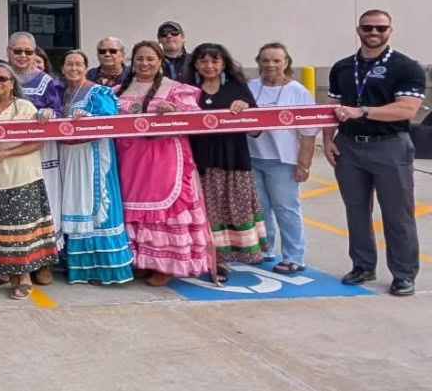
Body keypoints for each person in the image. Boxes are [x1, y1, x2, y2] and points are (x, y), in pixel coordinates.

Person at [324, 10, 423, 296]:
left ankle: (404, 274)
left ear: (390, 30)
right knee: (356, 210)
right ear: (358, 30)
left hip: (390, 145)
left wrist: (363, 111)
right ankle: (363, 265)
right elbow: (332, 107)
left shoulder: (406, 67)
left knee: (397, 214)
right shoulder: (342, 67)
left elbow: (407, 109)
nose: (374, 33)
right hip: (349, 146)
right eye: (368, 27)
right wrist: (328, 138)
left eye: (380, 28)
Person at [114, 41, 212, 286]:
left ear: (160, 62)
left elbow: (195, 119)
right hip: (129, 158)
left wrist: (174, 112)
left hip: (163, 157)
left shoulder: (175, 90)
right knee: (133, 206)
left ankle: (166, 264)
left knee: (163, 208)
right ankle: (142, 261)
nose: (144, 63)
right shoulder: (119, 90)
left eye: (150, 59)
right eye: (139, 59)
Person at [0, 62, 58, 299]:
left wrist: (7, 153)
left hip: (20, 179)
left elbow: (37, 142)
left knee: (20, 233)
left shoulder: (24, 107)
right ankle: (1, 273)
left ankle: (24, 277)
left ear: (12, 84)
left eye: (3, 79)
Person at [184, 43, 266, 279]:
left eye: (214, 61)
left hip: (231, 159)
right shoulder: (188, 89)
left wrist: (245, 109)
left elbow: (255, 129)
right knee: (204, 212)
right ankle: (207, 258)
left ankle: (224, 259)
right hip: (199, 160)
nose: (208, 66)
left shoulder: (237, 88)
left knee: (228, 210)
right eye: (203, 61)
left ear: (224, 64)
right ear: (195, 64)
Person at [56, 50, 134, 285]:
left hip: (93, 154)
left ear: (86, 67)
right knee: (76, 203)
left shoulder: (97, 91)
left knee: (96, 207)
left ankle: (105, 268)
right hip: (69, 155)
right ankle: (81, 266)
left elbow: (110, 118)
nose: (73, 68)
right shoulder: (63, 93)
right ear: (62, 69)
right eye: (69, 64)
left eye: (79, 64)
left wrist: (89, 116)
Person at [248, 42, 317, 275]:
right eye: (265, 60)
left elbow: (308, 134)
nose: (270, 65)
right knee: (261, 209)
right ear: (258, 62)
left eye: (276, 60)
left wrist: (304, 165)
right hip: (253, 157)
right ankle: (265, 249)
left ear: (286, 63)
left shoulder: (298, 92)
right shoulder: (251, 87)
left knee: (286, 209)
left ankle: (294, 256)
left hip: (283, 160)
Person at [7, 31, 63, 284]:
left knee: (43, 208)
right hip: (6, 153)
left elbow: (59, 111)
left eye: (28, 52)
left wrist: (50, 112)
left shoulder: (47, 82)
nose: (22, 56)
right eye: (17, 51)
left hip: (40, 153)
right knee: (10, 209)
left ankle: (43, 261)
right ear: (8, 51)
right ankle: (11, 261)